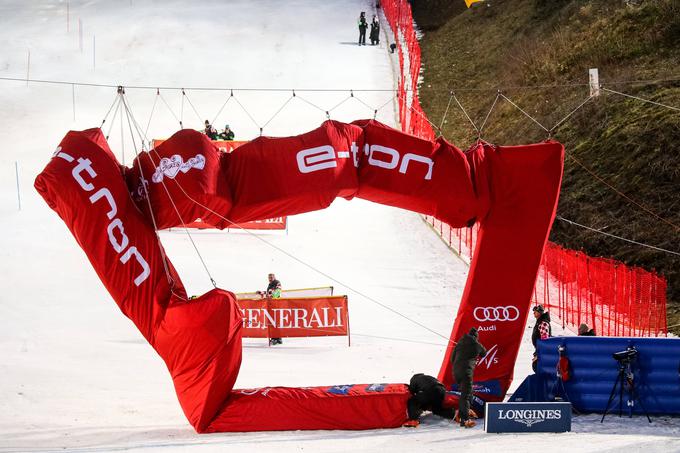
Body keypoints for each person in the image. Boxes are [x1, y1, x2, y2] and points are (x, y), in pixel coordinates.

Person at [451, 327, 486, 428]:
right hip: (466, 372)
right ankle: (465, 419)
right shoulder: (476, 344)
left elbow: (452, 359)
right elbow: (484, 353)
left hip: (456, 372)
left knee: (468, 393)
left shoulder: (459, 344)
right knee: (466, 395)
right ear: (476, 337)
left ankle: (465, 413)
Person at [532, 304, 552, 371]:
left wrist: (539, 354)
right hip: (540, 349)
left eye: (535, 311)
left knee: (538, 367)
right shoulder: (539, 322)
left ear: (539, 312)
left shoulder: (543, 323)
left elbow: (545, 340)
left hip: (542, 351)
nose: (533, 312)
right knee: (536, 366)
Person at [265, 273, 283, 345]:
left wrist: (271, 296)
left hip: (276, 304)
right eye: (269, 277)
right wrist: (261, 293)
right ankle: (275, 338)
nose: (270, 278)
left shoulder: (277, 282)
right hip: (271, 305)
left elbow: (278, 292)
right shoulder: (269, 285)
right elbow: (268, 293)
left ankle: (277, 338)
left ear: (274, 277)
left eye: (272, 277)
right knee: (272, 321)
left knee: (275, 321)